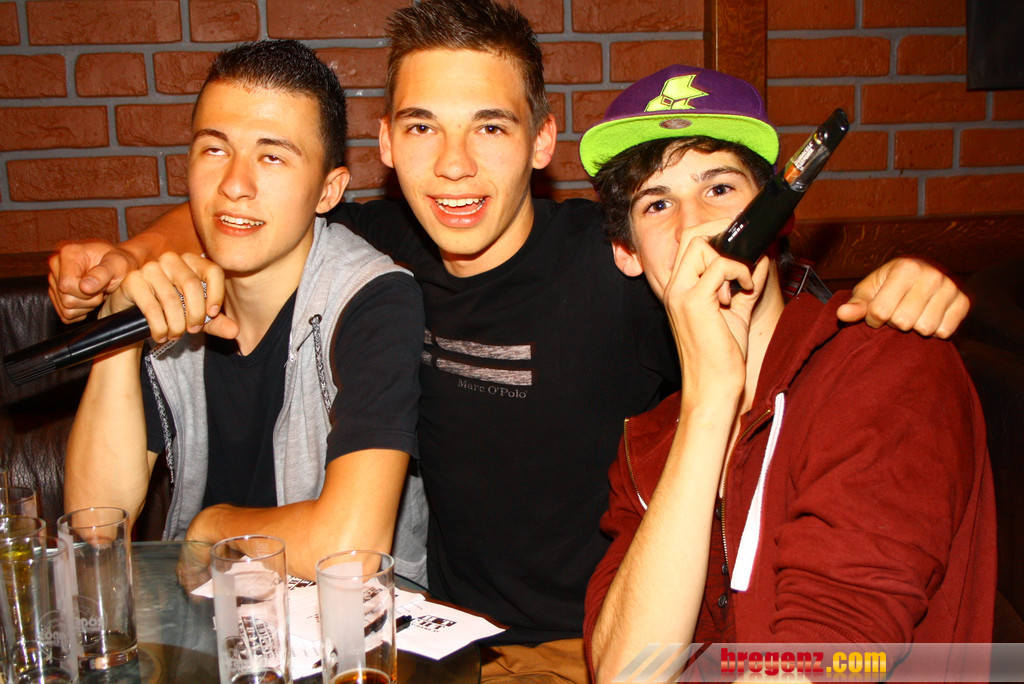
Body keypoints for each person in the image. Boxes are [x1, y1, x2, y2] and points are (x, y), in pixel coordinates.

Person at [49, 0, 971, 678]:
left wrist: (884, 292)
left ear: (540, 142)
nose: (454, 166)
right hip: (436, 640)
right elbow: (245, 203)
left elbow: (759, 304)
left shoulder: (621, 266)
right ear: (386, 146)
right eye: (424, 128)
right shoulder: (377, 248)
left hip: (591, 644)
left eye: (489, 127)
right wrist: (133, 259)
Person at [580, 64, 996, 682]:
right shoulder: (651, 443)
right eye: (658, 204)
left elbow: (830, 656)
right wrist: (709, 403)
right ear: (627, 252)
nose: (695, 226)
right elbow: (625, 672)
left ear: (780, 218)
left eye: (720, 188)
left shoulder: (885, 365)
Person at [64, 39, 428, 583]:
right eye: (215, 150)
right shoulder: (173, 295)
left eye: (272, 156)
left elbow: (352, 550)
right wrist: (118, 320)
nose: (235, 185)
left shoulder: (374, 300)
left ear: (328, 191)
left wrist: (213, 526)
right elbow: (94, 524)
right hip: (208, 615)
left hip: (350, 623)